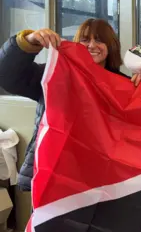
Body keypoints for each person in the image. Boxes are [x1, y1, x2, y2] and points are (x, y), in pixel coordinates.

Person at [0, 18, 128, 191]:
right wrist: (28, 42)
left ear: (111, 46)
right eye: (85, 40)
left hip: (102, 179)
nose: (91, 45)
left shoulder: (124, 86)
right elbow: (7, 75)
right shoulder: (53, 75)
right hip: (55, 173)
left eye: (99, 40)